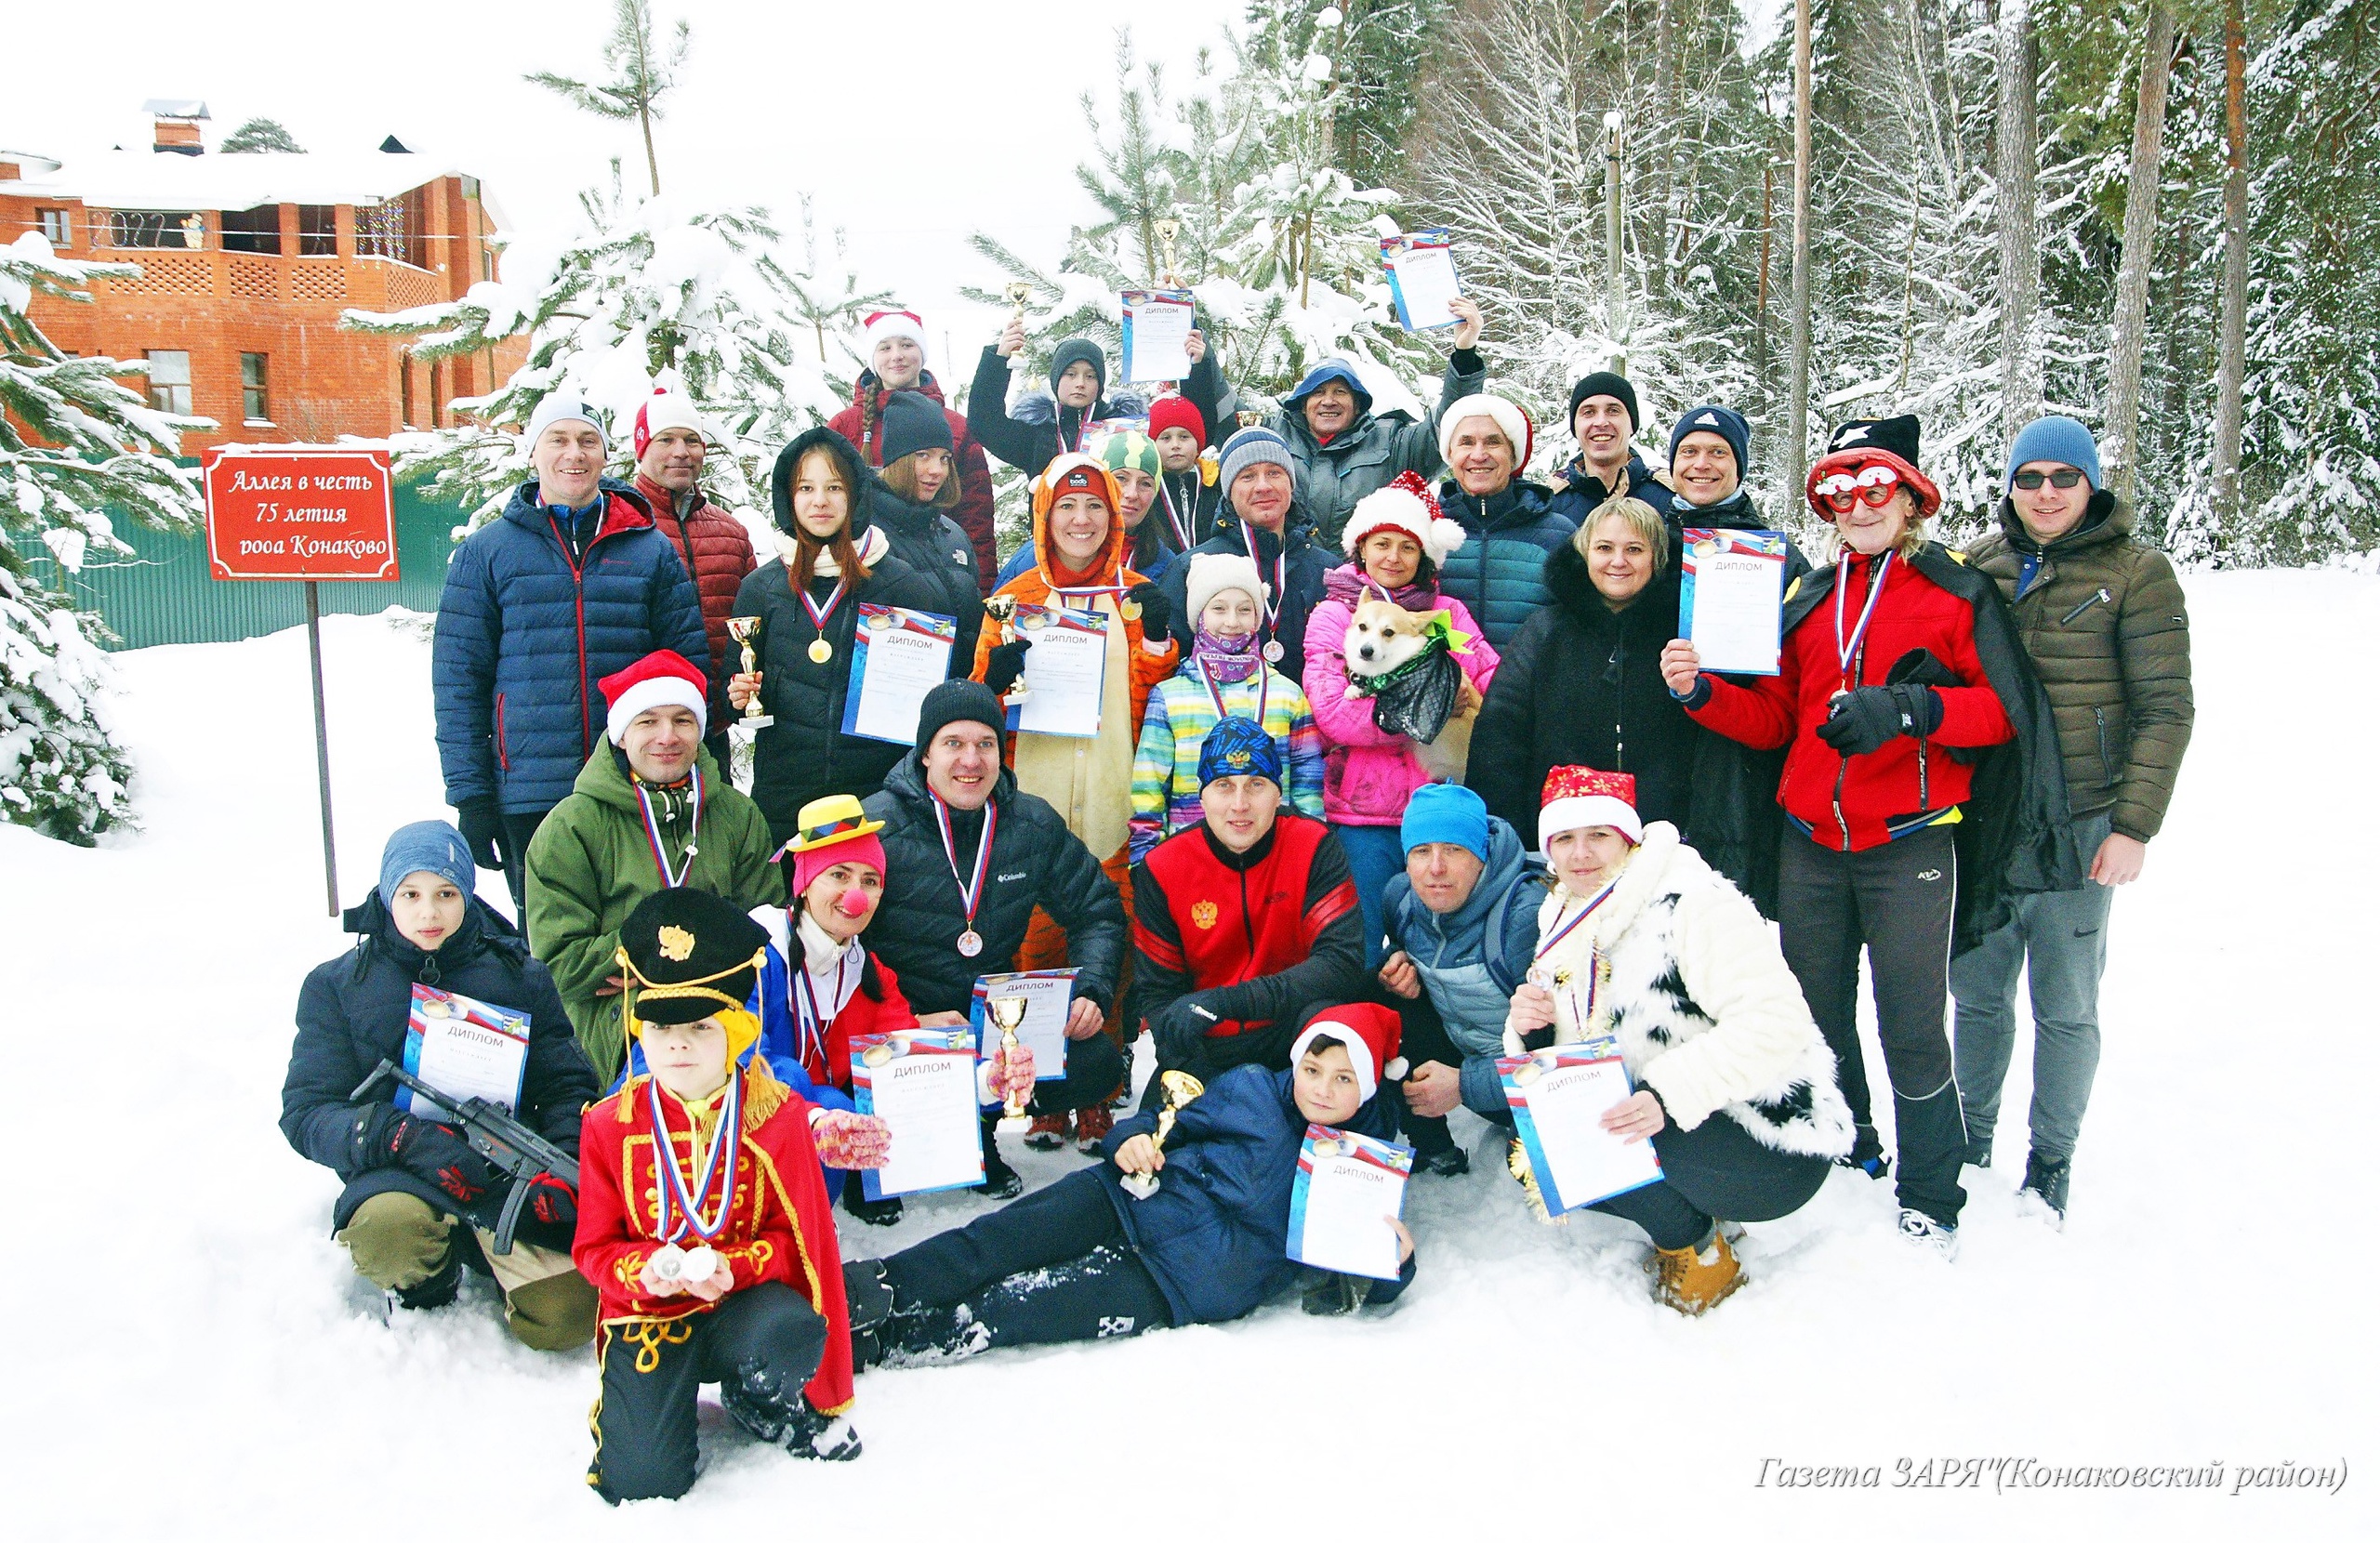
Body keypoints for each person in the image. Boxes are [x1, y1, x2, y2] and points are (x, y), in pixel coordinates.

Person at [1660, 415, 2078, 1259]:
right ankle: (1850, 1144)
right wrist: (1703, 693)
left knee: (1913, 1024)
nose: (1857, 504)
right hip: (1810, 840)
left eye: (1874, 487)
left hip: (1909, 843)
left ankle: (1931, 1192)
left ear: (1910, 499)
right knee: (1817, 1015)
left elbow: (2004, 715)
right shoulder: (1811, 598)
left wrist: (1915, 710)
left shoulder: (1954, 594)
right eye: (1842, 491)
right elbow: (1780, 720)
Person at [851, 1004, 1417, 1365]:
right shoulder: (1250, 1089)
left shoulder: (1361, 1165)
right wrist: (1134, 1136)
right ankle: (871, 1290)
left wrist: (1394, 1263)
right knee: (996, 1241)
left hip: (1178, 1281)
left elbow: (1350, 1275)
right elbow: (1166, 1118)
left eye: (1344, 1079)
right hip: (1125, 1195)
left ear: (1367, 1087)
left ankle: (885, 1345)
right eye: (1312, 1070)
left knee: (1013, 1308)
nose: (1321, 1089)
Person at [1952, 415, 2194, 1226]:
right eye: (2029, 479)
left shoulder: (2137, 573)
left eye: (2063, 478)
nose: (2045, 494)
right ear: (2010, 487)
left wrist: (2134, 826)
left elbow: (2166, 709)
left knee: (2066, 1002)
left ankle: (2050, 1158)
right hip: (1989, 820)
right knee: (1979, 996)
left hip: (2085, 823)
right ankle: (1969, 1140)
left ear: (2091, 484)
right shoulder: (1979, 567)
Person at [575, 888, 894, 1501]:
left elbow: (792, 1241)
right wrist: (652, 1270)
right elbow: (594, 1250)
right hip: (650, 1313)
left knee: (791, 1330)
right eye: (662, 1026)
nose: (678, 1045)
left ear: (737, 1031)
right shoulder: (608, 1125)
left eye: (700, 1026)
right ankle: (650, 1407)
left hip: (739, 1307)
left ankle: (760, 1398)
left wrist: (735, 1266)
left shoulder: (770, 1114)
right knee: (643, 1482)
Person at [1504, 769, 1852, 1313]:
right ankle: (1688, 1228)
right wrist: (1534, 1030)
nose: (1581, 855)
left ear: (1629, 838)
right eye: (1565, 839)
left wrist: (1665, 1096)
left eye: (1598, 835)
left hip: (1771, 1138)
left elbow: (1774, 1021)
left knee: (1598, 1136)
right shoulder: (1563, 916)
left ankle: (1703, 1253)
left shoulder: (1691, 901)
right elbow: (1578, 1054)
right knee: (1541, 1147)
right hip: (1682, 1124)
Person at [281, 822, 599, 1349]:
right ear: (387, 894)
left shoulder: (521, 975)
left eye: (446, 894)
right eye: (411, 894)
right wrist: (390, 1135)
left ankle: (484, 1248)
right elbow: (306, 1112)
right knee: (390, 1235)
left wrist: (563, 1158)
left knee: (568, 1316)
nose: (428, 913)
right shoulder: (335, 985)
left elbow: (568, 1083)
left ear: (468, 894)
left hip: (503, 1175)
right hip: (399, 1170)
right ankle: (430, 1274)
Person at [432, 393, 707, 921]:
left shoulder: (649, 550)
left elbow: (687, 665)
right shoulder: (486, 552)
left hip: (633, 785)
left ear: (606, 456)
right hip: (531, 789)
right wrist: (472, 795)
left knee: (641, 933)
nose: (573, 454)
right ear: (533, 453)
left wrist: (695, 766)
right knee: (550, 942)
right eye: (557, 439)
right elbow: (458, 681)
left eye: (587, 441)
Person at [976, 456, 1178, 1152]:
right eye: (1067, 507)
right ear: (1044, 516)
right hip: (1033, 796)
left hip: (1115, 792)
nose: (1082, 520)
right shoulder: (1016, 596)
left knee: (1110, 940)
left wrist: (1157, 643)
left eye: (1095, 508)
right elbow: (979, 705)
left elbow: (1159, 697)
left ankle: (1097, 1083)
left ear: (1115, 516)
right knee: (1037, 942)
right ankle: (1043, 1087)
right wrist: (996, 683)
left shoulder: (1138, 591)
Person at [861, 680, 1135, 1186]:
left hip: (989, 1017)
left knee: (1095, 1062)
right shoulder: (876, 826)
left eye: (985, 744)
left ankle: (981, 1135)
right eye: (954, 744)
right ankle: (878, 1150)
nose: (972, 760)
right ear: (925, 754)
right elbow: (834, 944)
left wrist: (1091, 991)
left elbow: (1097, 907)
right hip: (897, 1016)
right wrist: (905, 1018)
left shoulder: (1029, 823)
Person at [729, 795, 1038, 1228]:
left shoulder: (866, 972)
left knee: (844, 1108)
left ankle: (802, 1235)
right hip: (725, 1128)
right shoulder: (754, 956)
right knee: (829, 1100)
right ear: (803, 883)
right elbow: (732, 1062)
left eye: (870, 881)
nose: (856, 896)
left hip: (807, 1137)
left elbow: (911, 1063)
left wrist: (989, 1080)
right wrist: (815, 1114)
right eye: (838, 875)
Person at [524, 650, 784, 1079]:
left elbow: (764, 934)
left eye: (683, 720)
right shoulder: (572, 827)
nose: (668, 736)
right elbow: (561, 968)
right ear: (621, 735)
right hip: (626, 1021)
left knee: (778, 1086)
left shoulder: (736, 815)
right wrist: (659, 946)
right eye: (647, 721)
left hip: (726, 1009)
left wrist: (642, 961)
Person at [1302, 473, 1500, 962]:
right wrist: (1424, 711)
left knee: (1439, 951)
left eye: (1407, 547)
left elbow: (1491, 682)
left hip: (1439, 808)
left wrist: (1467, 698)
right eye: (1382, 543)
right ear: (1361, 549)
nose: (1393, 557)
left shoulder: (1448, 614)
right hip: (1364, 811)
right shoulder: (1335, 615)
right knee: (1365, 948)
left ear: (1424, 558)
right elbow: (1334, 712)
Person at [1130, 718, 1368, 1099]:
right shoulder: (1162, 868)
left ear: (1278, 792)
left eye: (1256, 785)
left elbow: (1341, 963)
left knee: (1333, 1022)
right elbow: (1160, 997)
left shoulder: (1314, 845)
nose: (1240, 805)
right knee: (1150, 1148)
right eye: (1224, 786)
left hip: (1297, 1036)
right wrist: (1196, 1071)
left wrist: (1226, 1002)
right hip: (1209, 1044)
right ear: (1201, 794)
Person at [731, 426, 945, 844]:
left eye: (834, 487)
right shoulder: (761, 588)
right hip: (786, 796)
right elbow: (735, 691)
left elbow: (932, 699)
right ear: (788, 498)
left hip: (880, 795)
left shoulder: (903, 584)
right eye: (806, 487)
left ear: (856, 495)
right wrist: (739, 694)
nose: (820, 501)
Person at [1376, 784, 1541, 1174]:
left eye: (1454, 850)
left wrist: (1465, 1084)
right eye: (1421, 851)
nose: (1436, 868)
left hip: (1533, 1087)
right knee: (1381, 1007)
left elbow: (1571, 1057)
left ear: (1481, 855)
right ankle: (1432, 1148)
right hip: (1470, 1059)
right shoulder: (1400, 899)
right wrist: (1392, 967)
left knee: (1528, 1168)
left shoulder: (1523, 919)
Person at [1130, 551, 1326, 862]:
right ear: (1199, 616)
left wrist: (1311, 854)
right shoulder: (1169, 696)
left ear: (1258, 617)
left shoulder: (1288, 694)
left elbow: (1308, 787)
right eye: (1219, 609)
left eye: (1245, 609)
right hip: (1192, 860)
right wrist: (1146, 860)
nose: (1232, 622)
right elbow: (1149, 786)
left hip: (1275, 858)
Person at [1259, 297, 1488, 547]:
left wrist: (1464, 355)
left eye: (1340, 392)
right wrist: (1207, 362)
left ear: (1358, 404)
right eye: (1318, 392)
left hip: (1366, 582)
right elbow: (1224, 410)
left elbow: (1448, 425)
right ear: (1302, 404)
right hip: (1288, 579)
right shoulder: (1272, 435)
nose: (1328, 401)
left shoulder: (1391, 443)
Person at [627, 389, 758, 768]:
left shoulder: (730, 532)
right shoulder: (618, 528)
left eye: (691, 440)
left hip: (709, 727)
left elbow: (753, 627)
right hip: (640, 732)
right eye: (665, 439)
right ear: (642, 449)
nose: (681, 451)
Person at [828, 308, 999, 593]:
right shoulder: (846, 425)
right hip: (863, 580)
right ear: (873, 358)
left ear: (921, 353)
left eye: (907, 345)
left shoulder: (955, 426)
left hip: (942, 579)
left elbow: (976, 520)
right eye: (885, 348)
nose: (897, 355)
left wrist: (981, 593)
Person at [1155, 426, 1334, 667]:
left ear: (1291, 483)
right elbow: (1171, 664)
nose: (1263, 486)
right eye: (1247, 476)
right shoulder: (1191, 568)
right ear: (1229, 490)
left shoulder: (1328, 571)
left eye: (1274, 473)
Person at [839, 396, 986, 666]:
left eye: (945, 458)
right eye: (923, 456)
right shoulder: (861, 533)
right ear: (897, 459)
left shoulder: (953, 535)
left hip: (953, 700)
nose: (937, 471)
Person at [968, 323, 1203, 481]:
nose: (1080, 383)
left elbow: (1195, 426)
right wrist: (998, 361)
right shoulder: (1037, 433)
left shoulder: (1124, 428)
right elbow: (984, 424)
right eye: (1070, 374)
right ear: (1056, 379)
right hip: (1050, 545)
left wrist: (1197, 363)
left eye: (1090, 376)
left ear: (1100, 384)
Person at [1430, 393, 1571, 650]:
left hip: (1527, 686)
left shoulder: (1557, 534)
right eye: (1466, 443)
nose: (1479, 454)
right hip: (1443, 686)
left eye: (1493, 442)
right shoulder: (1422, 528)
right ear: (1450, 454)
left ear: (1513, 454)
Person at [995, 429, 1182, 587]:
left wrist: (1155, 628)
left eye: (1146, 484)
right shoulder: (1032, 560)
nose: (1132, 493)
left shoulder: (1165, 563)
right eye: (1121, 479)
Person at [1653, 404, 1813, 578]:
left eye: (1718, 452)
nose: (1701, 464)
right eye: (1689, 451)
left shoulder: (1777, 557)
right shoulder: (1647, 546)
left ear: (1739, 470)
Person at [1545, 371, 1662, 527]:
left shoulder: (1669, 500)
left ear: (1632, 425)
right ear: (1575, 426)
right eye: (1589, 412)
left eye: (1613, 411)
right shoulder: (1549, 505)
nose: (1601, 422)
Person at [1146, 391, 1224, 547]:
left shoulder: (1217, 484)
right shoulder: (1147, 488)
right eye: (1165, 438)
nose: (1175, 445)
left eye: (1184, 437)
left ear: (1198, 445)